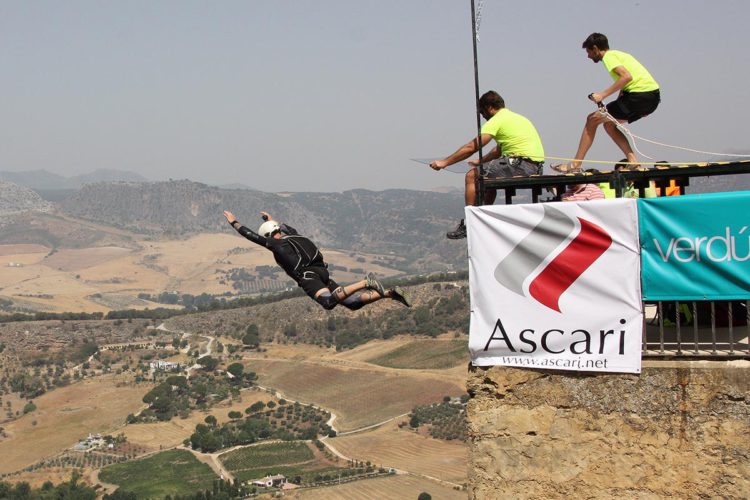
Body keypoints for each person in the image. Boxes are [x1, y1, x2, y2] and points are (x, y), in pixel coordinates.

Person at [222, 210, 411, 310]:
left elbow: (250, 236)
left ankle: (365, 282)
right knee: (352, 303)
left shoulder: (275, 244)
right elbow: (285, 229)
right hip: (323, 274)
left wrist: (234, 222)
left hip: (309, 277)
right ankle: (390, 293)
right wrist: (271, 218)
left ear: (269, 235)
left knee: (328, 303)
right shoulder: (297, 236)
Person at [430, 90, 545, 239]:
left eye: (482, 112)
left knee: (472, 176)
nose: (483, 116)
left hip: (519, 165)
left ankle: (470, 222)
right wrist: (481, 161)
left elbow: (472, 147)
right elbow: (499, 150)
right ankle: (482, 215)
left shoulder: (497, 120)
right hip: (533, 166)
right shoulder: (518, 118)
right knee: (486, 177)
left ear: (490, 108)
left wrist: (444, 162)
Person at [553, 33, 660, 173]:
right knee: (609, 125)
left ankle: (575, 165)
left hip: (639, 96)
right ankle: (632, 160)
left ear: (596, 48)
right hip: (651, 98)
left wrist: (602, 95)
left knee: (592, 119)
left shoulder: (608, 57)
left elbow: (626, 77)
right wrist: (618, 103)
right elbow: (627, 83)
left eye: (589, 52)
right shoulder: (621, 55)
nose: (588, 56)